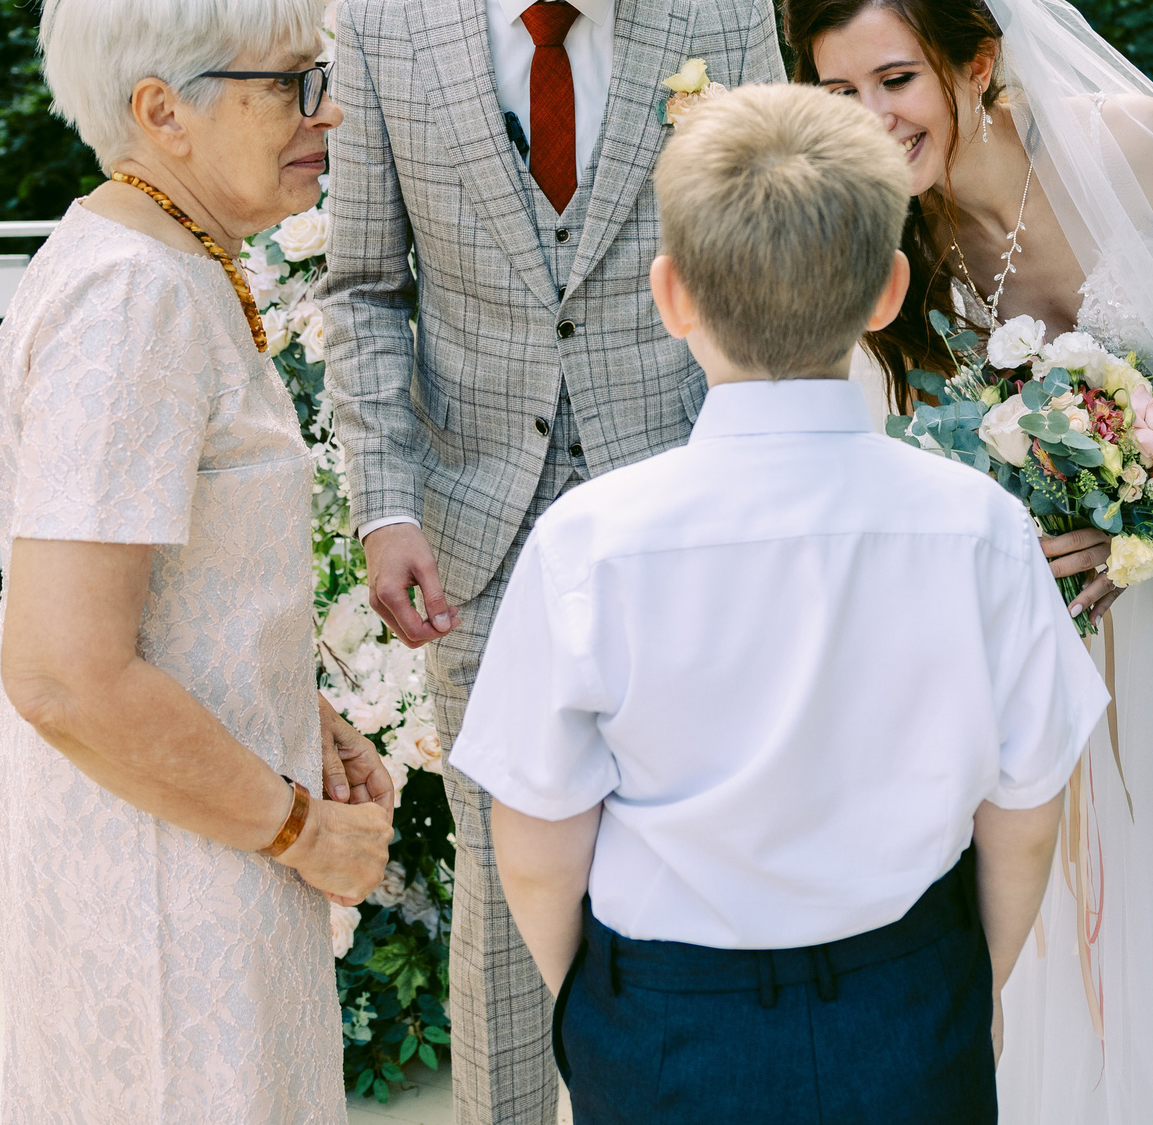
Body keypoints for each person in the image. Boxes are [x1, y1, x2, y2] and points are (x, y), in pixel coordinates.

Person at [449, 84, 1112, 1123]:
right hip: (908, 995)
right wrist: (966, 989)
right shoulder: (977, 525)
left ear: (670, 296)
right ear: (888, 290)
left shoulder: (589, 541)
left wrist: (600, 1009)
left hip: (665, 1018)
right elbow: (1024, 817)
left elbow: (534, 846)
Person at [316, 0, 784, 1124]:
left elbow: (766, 276)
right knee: (497, 863)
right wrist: (385, 499)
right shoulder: (382, 24)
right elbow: (359, 288)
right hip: (477, 523)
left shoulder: (726, 10)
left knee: (697, 849)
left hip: (691, 510)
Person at [784, 0, 1153, 1124]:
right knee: (1034, 940)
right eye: (836, 89)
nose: (870, 118)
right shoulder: (873, 225)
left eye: (895, 80)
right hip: (996, 646)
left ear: (976, 61)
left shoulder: (1128, 148)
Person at [0, 0, 395, 1125]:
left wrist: (299, 715)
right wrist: (301, 832)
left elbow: (173, 594)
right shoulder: (133, 298)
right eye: (293, 86)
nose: (326, 114)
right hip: (171, 869)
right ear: (163, 110)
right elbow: (64, 672)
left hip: (196, 821)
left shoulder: (167, 262)